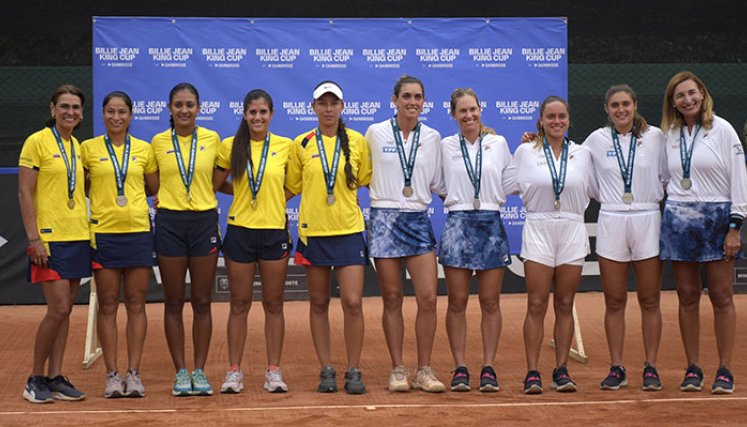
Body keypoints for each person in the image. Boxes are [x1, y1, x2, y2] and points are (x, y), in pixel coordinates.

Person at [660, 71, 747, 394]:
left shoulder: (723, 130)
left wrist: (735, 227)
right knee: (686, 295)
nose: (687, 99)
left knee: (722, 295)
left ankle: (724, 369)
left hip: (717, 219)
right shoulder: (667, 134)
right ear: (673, 102)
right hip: (679, 219)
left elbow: (739, 178)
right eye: (680, 95)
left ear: (703, 93)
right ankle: (692, 368)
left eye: (692, 93)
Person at [504, 95, 594, 394]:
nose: (557, 121)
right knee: (537, 303)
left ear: (568, 120)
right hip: (539, 227)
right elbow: (504, 185)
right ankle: (532, 372)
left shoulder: (583, 154)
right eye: (551, 117)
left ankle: (561, 370)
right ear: (541, 120)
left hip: (571, 228)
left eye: (562, 116)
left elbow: (596, 189)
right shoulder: (525, 151)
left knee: (566, 303)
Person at [286, 80, 371, 395]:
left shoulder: (358, 141)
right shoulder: (302, 143)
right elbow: (291, 186)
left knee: (352, 303)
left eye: (334, 103)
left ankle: (354, 369)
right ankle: (326, 369)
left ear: (342, 107)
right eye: (323, 103)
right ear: (313, 107)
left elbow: (364, 179)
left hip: (348, 231)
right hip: (314, 233)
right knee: (319, 303)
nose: (328, 109)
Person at [365, 75, 445, 393]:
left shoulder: (434, 137)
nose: (413, 102)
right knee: (393, 298)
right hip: (384, 219)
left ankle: (424, 370)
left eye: (418, 97)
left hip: (418, 219)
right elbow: (359, 170)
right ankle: (398, 369)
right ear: (394, 99)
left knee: (427, 298)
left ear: (424, 102)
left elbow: (440, 182)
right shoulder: (375, 132)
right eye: (407, 96)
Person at [583, 84, 666, 391]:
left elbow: (667, 175)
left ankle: (651, 367)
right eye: (615, 105)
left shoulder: (656, 137)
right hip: (612, 218)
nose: (621, 110)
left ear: (635, 104)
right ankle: (617, 367)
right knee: (614, 299)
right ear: (607, 109)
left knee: (649, 299)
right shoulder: (595, 139)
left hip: (647, 217)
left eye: (626, 104)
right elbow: (584, 177)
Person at [212, 89, 293, 394]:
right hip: (240, 231)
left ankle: (274, 370)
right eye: (252, 112)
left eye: (263, 112)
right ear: (244, 114)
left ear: (271, 114)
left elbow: (294, 184)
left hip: (273, 232)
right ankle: (234, 371)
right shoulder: (231, 146)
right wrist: (247, 194)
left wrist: (269, 197)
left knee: (273, 304)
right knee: (239, 303)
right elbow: (216, 185)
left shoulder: (285, 146)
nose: (258, 117)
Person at [80, 91, 159, 398]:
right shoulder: (87, 149)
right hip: (104, 234)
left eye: (122, 112)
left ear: (130, 115)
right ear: (103, 114)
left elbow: (153, 187)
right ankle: (112, 375)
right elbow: (82, 187)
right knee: (109, 304)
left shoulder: (144, 149)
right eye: (111, 112)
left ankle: (134, 373)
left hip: (138, 232)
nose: (116, 117)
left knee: (137, 303)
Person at [18, 84, 89, 403]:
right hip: (49, 239)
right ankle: (35, 377)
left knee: (66, 311)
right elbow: (24, 193)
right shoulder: (36, 142)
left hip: (77, 235)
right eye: (64, 106)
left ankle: (56, 376)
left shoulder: (77, 146)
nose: (70, 112)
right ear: (52, 109)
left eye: (75, 107)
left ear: (82, 113)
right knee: (57, 308)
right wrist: (34, 238)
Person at [439, 88, 511, 392]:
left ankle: (488, 368)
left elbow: (512, 179)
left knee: (490, 302)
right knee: (456, 302)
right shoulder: (443, 146)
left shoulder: (499, 143)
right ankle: (460, 368)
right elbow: (436, 183)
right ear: (453, 115)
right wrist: (458, 201)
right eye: (462, 111)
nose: (469, 115)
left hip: (491, 225)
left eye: (473, 109)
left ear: (481, 110)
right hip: (458, 225)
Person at [152, 82, 221, 396]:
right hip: (170, 223)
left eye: (190, 104)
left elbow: (215, 180)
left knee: (203, 301)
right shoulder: (157, 142)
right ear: (169, 108)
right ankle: (181, 372)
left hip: (203, 221)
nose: (184, 110)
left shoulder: (211, 139)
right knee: (174, 301)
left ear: (199, 108)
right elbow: (153, 185)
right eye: (178, 104)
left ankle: (200, 371)